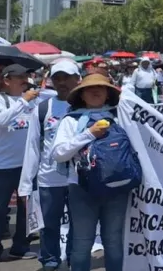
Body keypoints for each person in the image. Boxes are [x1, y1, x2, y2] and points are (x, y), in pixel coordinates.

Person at [49, 73, 126, 271]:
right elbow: (58, 154)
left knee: (114, 242)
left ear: (108, 93)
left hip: (117, 189)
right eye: (89, 88)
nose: (95, 91)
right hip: (81, 190)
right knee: (82, 244)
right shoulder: (71, 121)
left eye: (101, 87)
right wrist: (89, 134)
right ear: (81, 95)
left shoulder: (122, 117)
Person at [18, 60, 78, 270]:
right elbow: (32, 147)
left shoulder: (86, 106)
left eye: (67, 78)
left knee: (78, 225)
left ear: (77, 79)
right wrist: (25, 186)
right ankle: (50, 261)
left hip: (78, 179)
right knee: (49, 225)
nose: (62, 82)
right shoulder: (43, 109)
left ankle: (74, 259)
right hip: (48, 179)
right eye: (57, 78)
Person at [0, 64, 40, 261]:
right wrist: (23, 101)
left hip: (27, 166)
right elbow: (1, 121)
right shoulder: (1, 100)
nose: (25, 80)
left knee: (26, 210)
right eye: (20, 77)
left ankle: (20, 247)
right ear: (7, 80)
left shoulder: (33, 100)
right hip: (3, 166)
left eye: (26, 76)